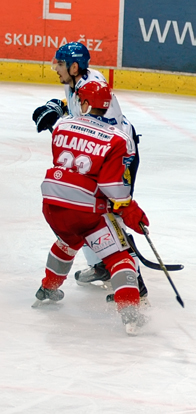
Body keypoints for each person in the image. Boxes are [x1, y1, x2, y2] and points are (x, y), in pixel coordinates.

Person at [32, 42, 147, 300]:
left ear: (74, 67)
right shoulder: (76, 82)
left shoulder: (93, 84)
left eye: (60, 64)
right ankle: (101, 265)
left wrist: (62, 124)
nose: (56, 69)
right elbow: (80, 109)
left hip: (118, 156)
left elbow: (99, 131)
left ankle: (136, 281)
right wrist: (59, 106)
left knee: (110, 214)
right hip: (100, 153)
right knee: (84, 210)